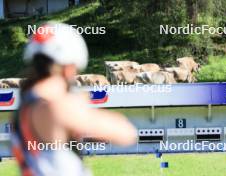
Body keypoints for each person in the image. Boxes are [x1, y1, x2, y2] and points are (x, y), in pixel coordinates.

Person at [11, 21, 137, 176]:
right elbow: (127, 133)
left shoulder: (25, 104)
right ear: (69, 67)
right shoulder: (58, 105)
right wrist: (82, 107)